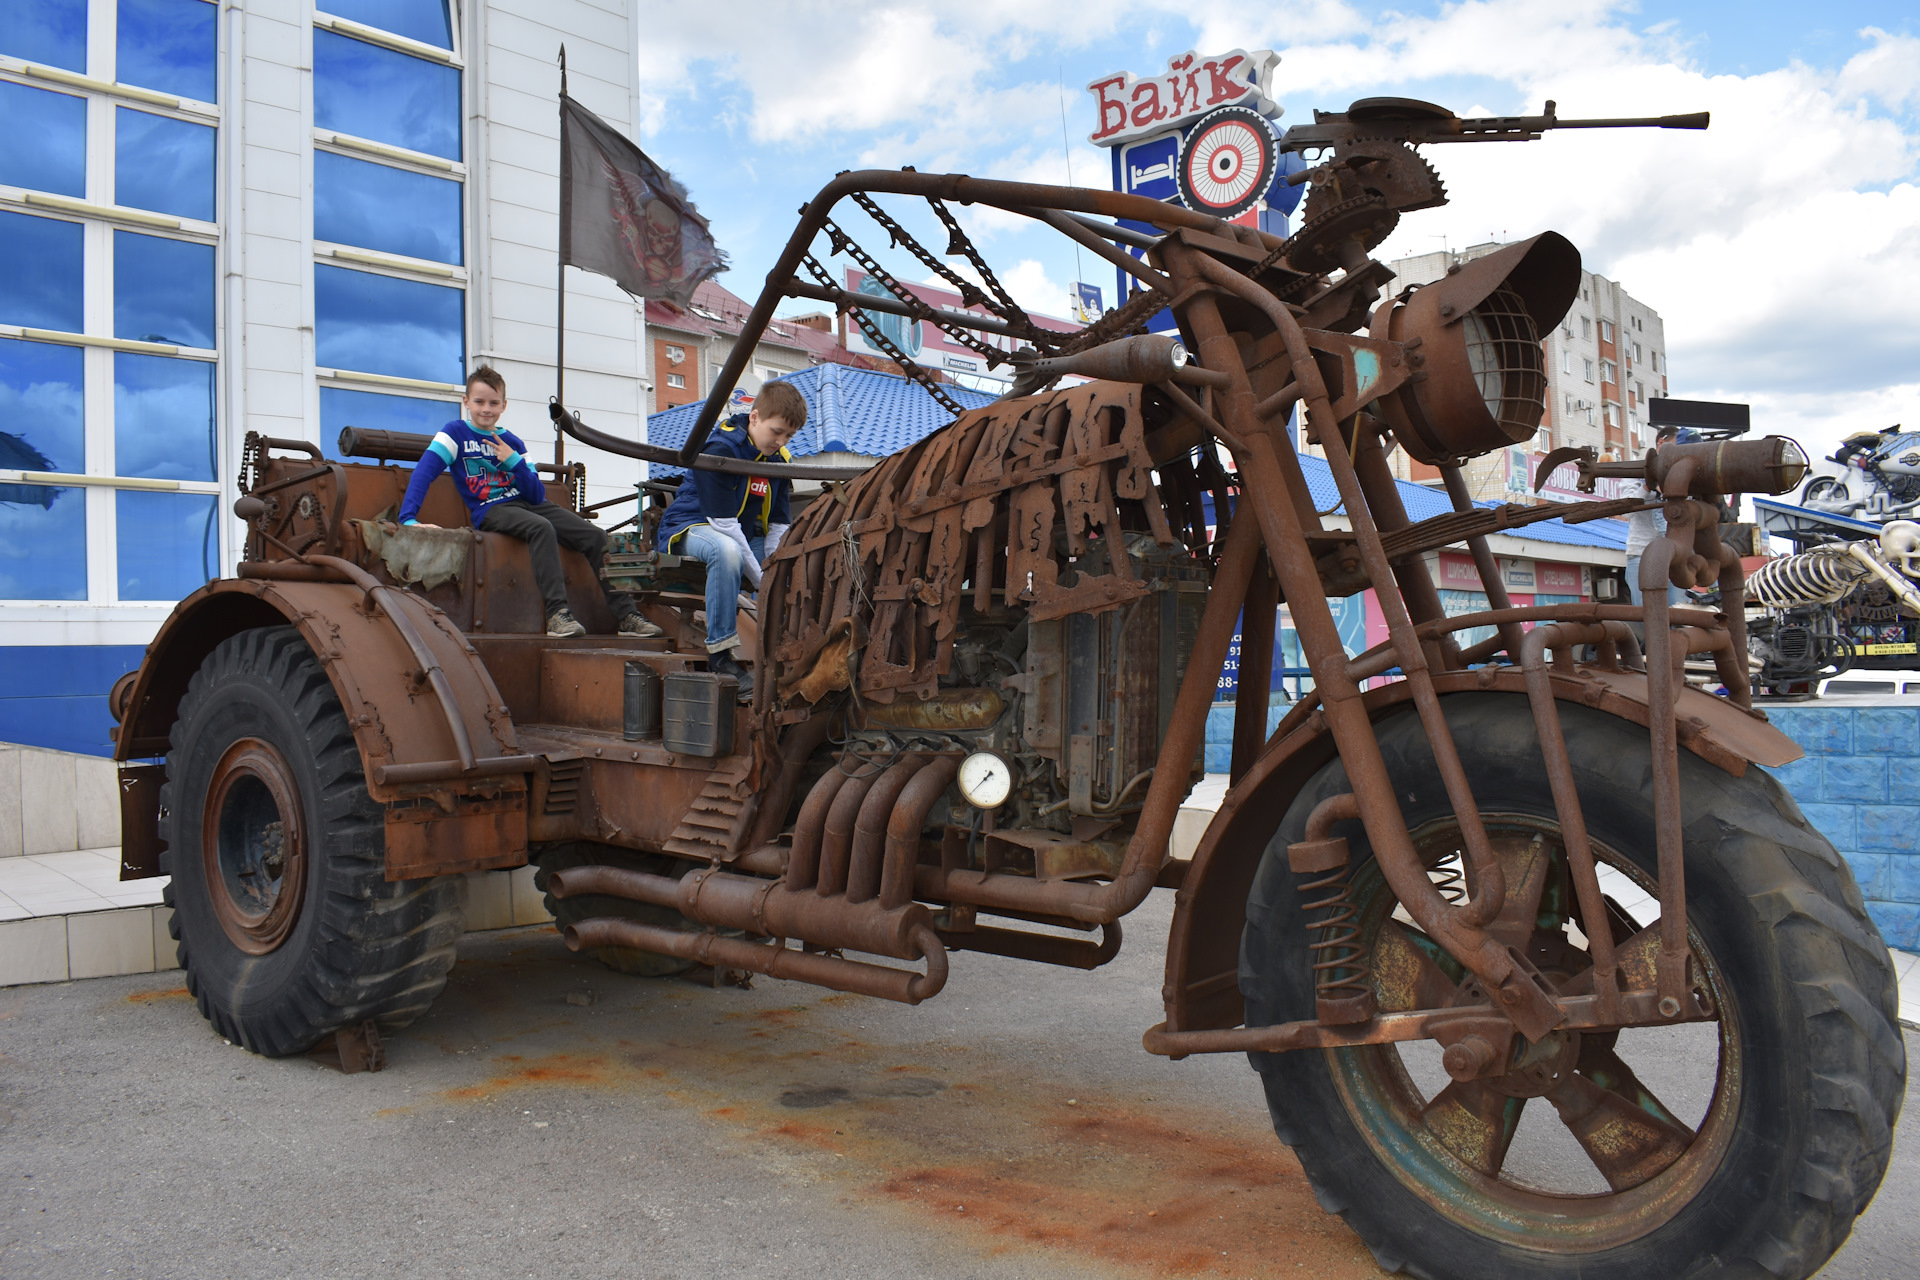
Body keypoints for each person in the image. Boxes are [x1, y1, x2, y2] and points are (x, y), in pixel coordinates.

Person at [397, 365, 658, 639]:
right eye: (479, 402)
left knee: (595, 536)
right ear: (466, 402)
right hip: (491, 509)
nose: (486, 409)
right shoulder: (455, 434)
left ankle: (627, 616)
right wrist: (408, 519)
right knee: (541, 527)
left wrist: (514, 462)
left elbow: (536, 495)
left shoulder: (513, 442)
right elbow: (424, 473)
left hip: (528, 504)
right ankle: (557, 615)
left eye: (494, 403)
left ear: (504, 405)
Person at [653, 380, 806, 699]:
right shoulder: (721, 449)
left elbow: (778, 524)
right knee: (727, 552)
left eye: (788, 436)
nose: (780, 441)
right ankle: (720, 657)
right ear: (754, 417)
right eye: (776, 431)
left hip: (739, 533)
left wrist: (775, 571)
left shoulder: (779, 461)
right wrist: (764, 580)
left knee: (791, 570)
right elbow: (723, 527)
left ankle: (786, 655)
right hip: (692, 527)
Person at [1624, 423, 1687, 608]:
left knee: (1677, 611)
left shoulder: (1682, 474)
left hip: (1674, 556)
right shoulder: (1635, 473)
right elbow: (1626, 510)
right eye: (1678, 446)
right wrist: (1648, 487)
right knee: (1646, 612)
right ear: (1661, 443)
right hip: (1641, 553)